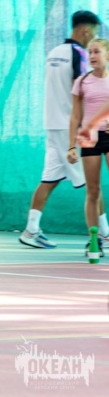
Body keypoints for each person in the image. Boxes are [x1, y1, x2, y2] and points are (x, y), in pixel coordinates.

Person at [20, 10, 100, 248]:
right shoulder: (79, 54)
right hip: (70, 129)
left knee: (49, 179)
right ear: (85, 31)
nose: (93, 41)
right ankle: (105, 234)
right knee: (93, 185)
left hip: (52, 125)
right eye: (93, 34)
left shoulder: (53, 53)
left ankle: (30, 230)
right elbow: (83, 91)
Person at [69, 39, 109, 256]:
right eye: (90, 52)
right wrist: (70, 146)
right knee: (93, 190)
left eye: (97, 52)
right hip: (89, 139)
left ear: (107, 55)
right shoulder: (82, 81)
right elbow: (75, 116)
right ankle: (94, 240)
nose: (92, 56)